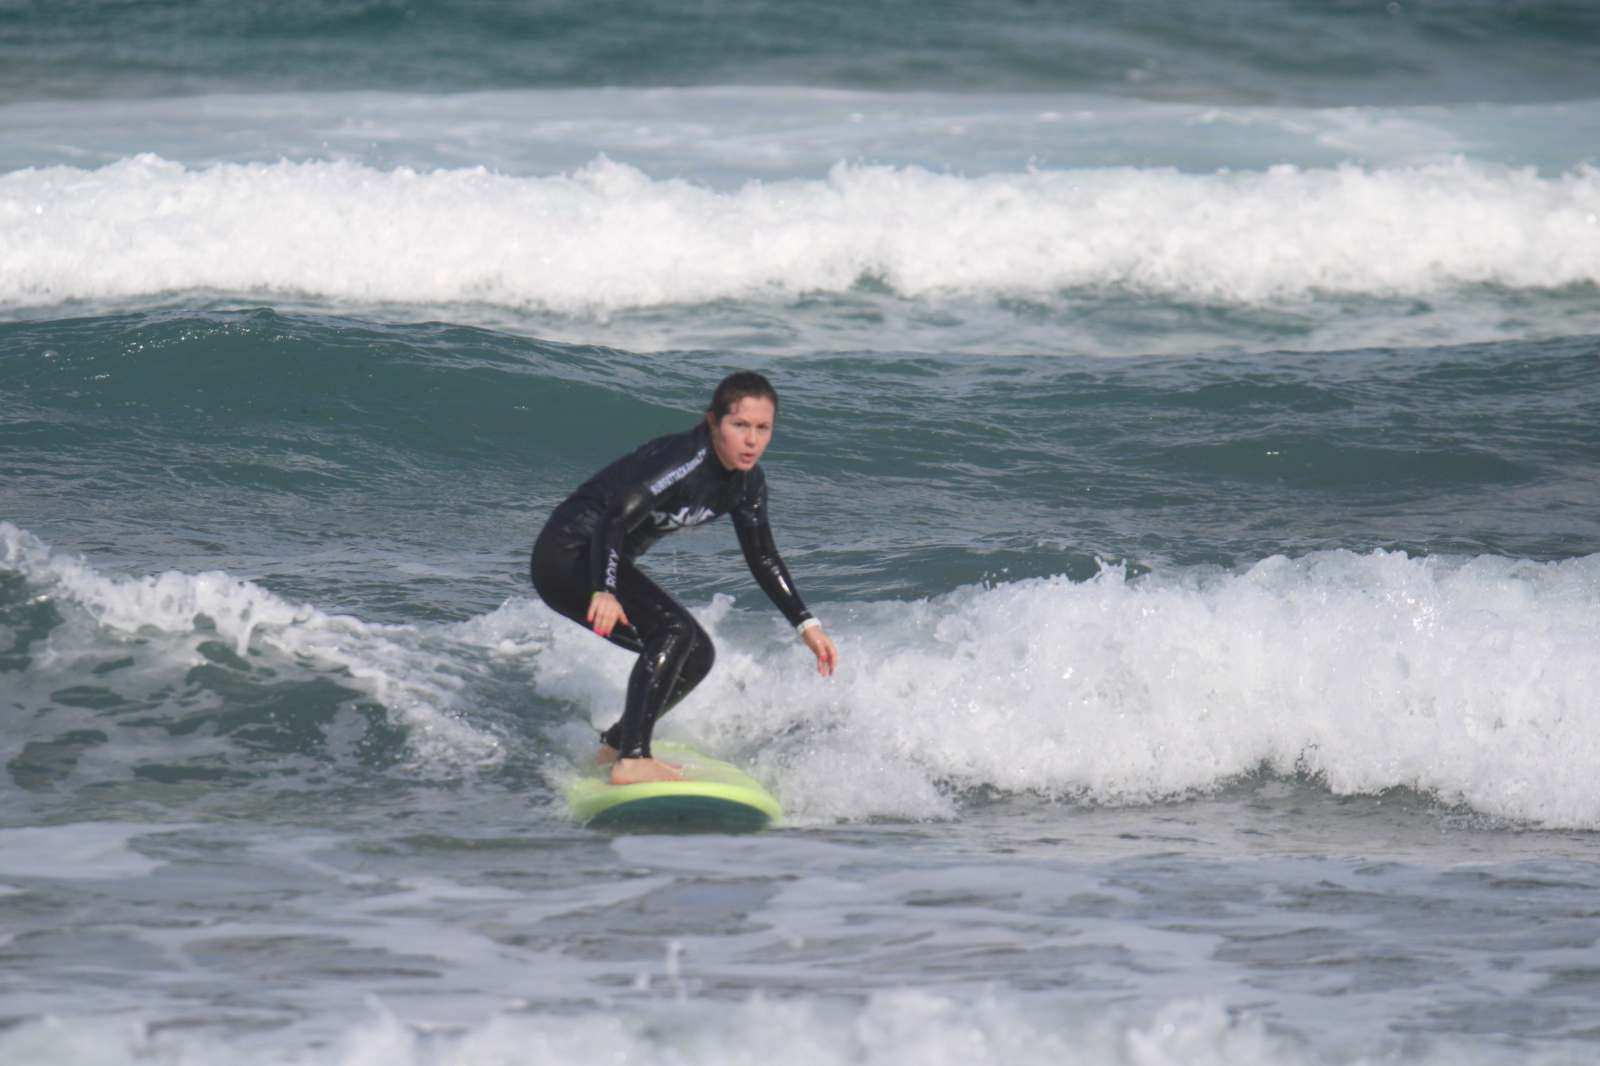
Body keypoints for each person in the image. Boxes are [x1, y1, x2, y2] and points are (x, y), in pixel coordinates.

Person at [531, 371, 839, 785]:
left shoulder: (746, 485)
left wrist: (806, 624)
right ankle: (633, 759)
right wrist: (603, 590)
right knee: (673, 632)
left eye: (763, 428)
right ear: (714, 422)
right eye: (740, 425)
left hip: (602, 562)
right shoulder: (684, 461)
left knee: (695, 655)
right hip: (569, 557)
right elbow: (616, 516)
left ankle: (615, 746)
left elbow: (762, 556)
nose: (752, 440)